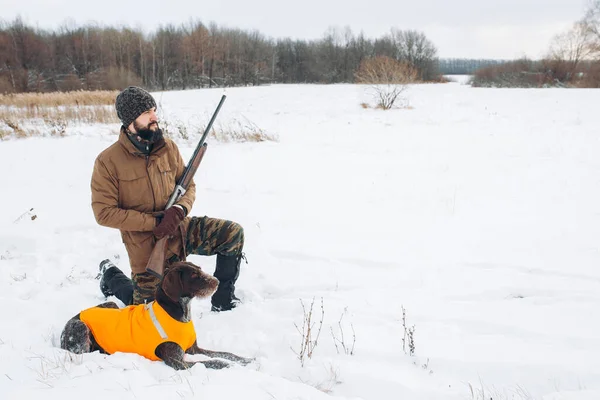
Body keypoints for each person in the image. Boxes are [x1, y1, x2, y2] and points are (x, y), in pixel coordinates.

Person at [91, 86, 245, 312]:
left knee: (232, 233)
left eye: (154, 110)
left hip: (181, 230)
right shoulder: (108, 161)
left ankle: (223, 301)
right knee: (146, 308)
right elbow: (103, 213)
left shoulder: (168, 148)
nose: (155, 117)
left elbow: (188, 185)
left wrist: (180, 210)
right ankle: (111, 275)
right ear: (130, 120)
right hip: (146, 246)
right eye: (147, 113)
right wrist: (155, 223)